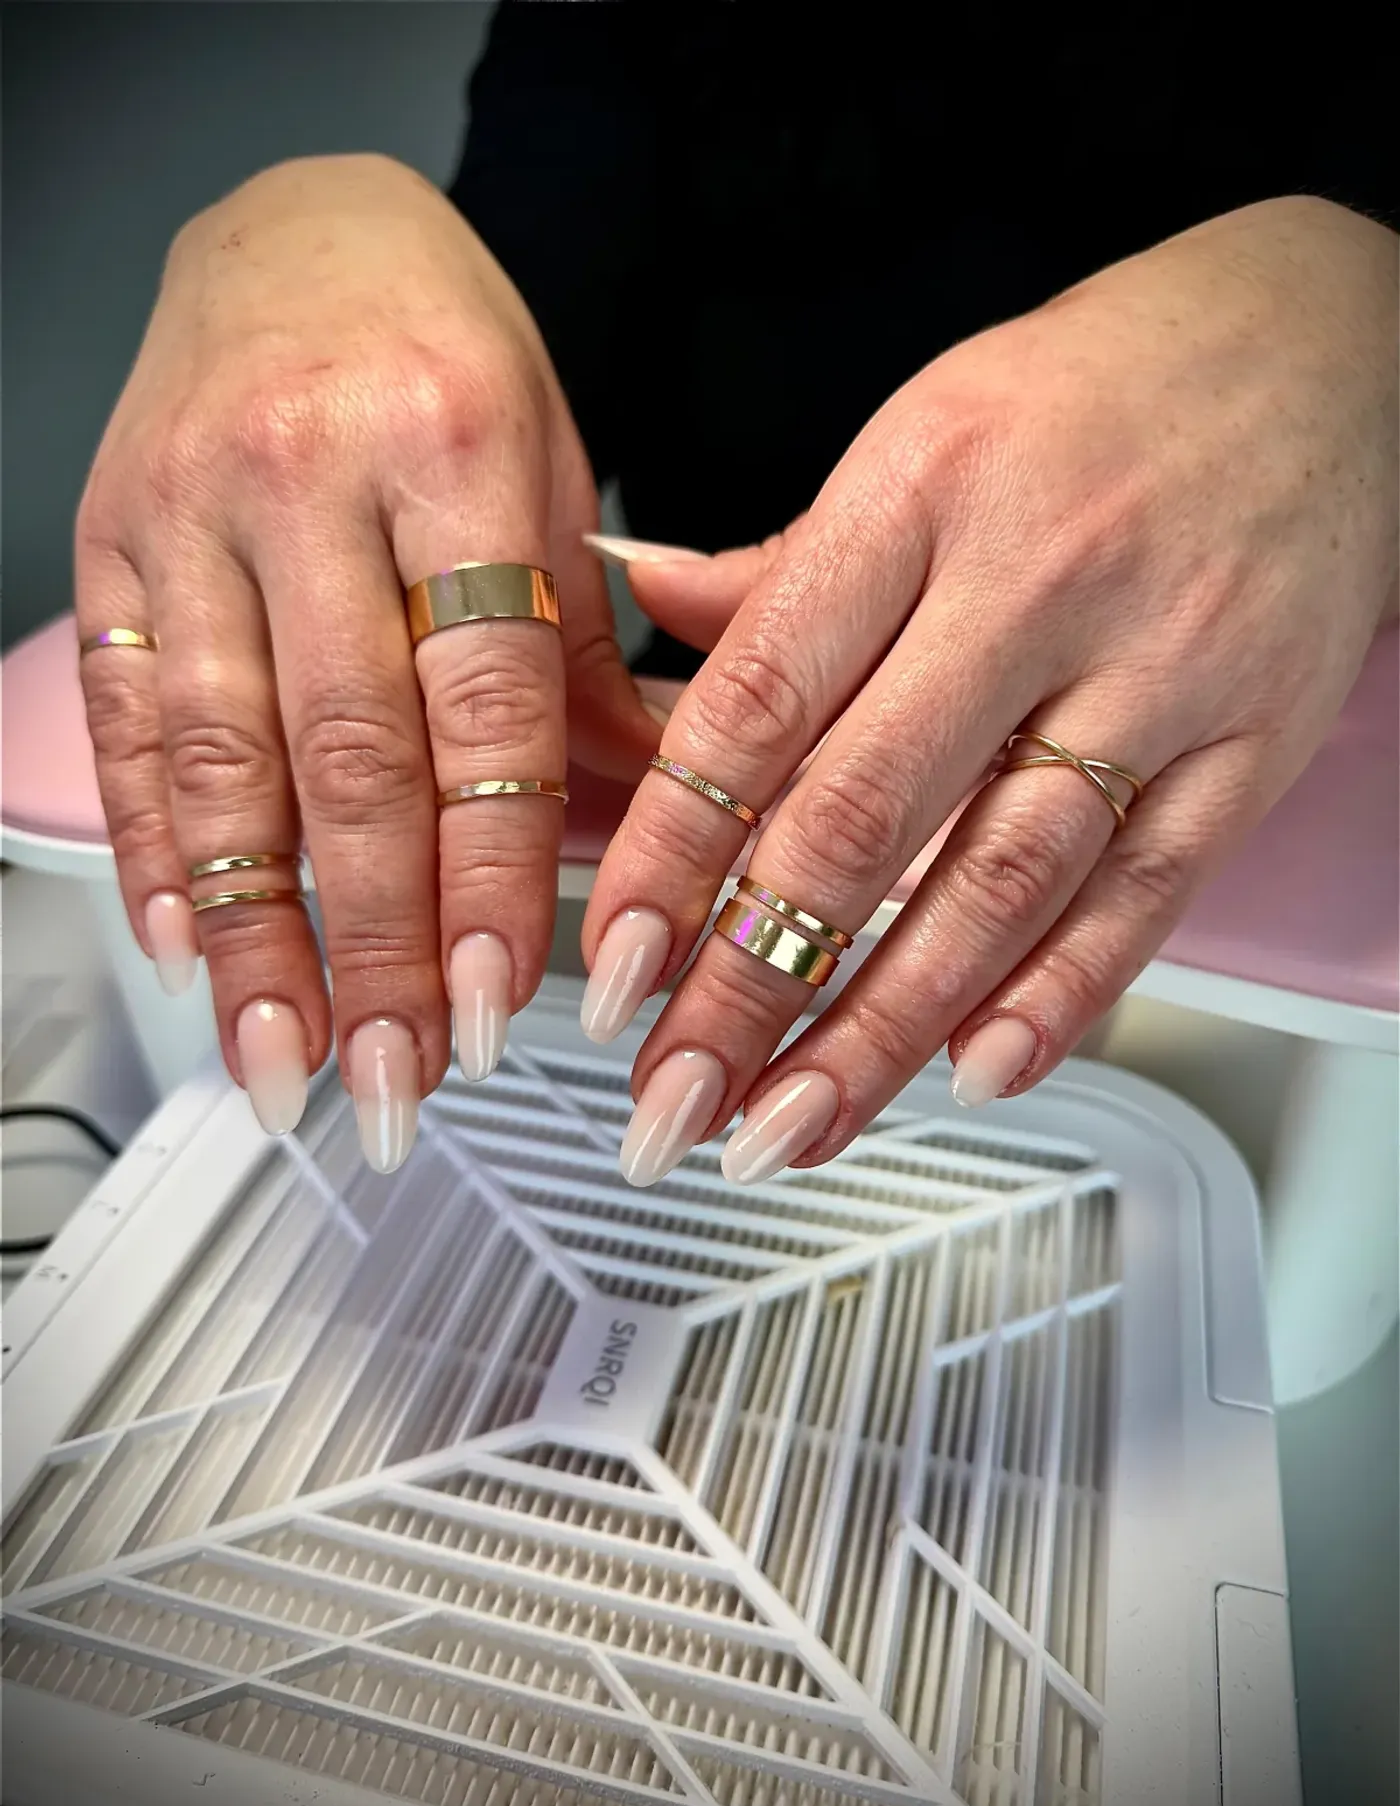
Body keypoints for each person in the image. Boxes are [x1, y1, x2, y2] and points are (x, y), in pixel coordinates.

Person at [75, 5, 1397, 1185]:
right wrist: (318, 227)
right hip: (667, 816)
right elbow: (501, 377)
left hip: (1243, 925)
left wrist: (1364, 314)